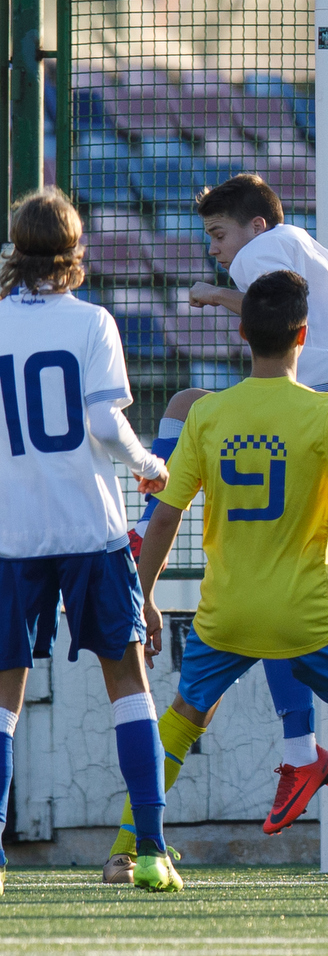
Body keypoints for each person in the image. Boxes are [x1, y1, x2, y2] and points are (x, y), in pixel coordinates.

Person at [113, 174, 328, 869]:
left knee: (186, 407)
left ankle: (130, 846)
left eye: (219, 235)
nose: (217, 252)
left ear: (256, 227)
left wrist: (221, 297)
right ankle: (326, 776)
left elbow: (261, 310)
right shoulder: (318, 249)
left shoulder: (260, 255)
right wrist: (327, 342)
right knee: (287, 567)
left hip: (304, 403)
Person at [0, 188, 182, 892]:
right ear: (76, 252)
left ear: (17, 248)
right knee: (127, 685)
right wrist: (148, 465)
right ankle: (152, 851)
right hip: (89, 528)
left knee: (4, 702)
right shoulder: (93, 322)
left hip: (12, 532)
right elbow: (107, 428)